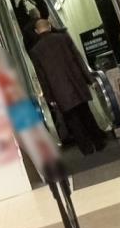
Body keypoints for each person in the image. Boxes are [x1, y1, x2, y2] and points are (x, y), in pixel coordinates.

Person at [28, 20, 107, 155]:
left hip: (59, 91)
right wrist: (89, 79)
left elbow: (42, 77)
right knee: (86, 114)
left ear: (36, 31)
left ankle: (86, 149)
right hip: (76, 83)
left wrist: (49, 97)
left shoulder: (35, 51)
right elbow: (78, 59)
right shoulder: (64, 38)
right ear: (50, 26)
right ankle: (98, 142)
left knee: (72, 121)